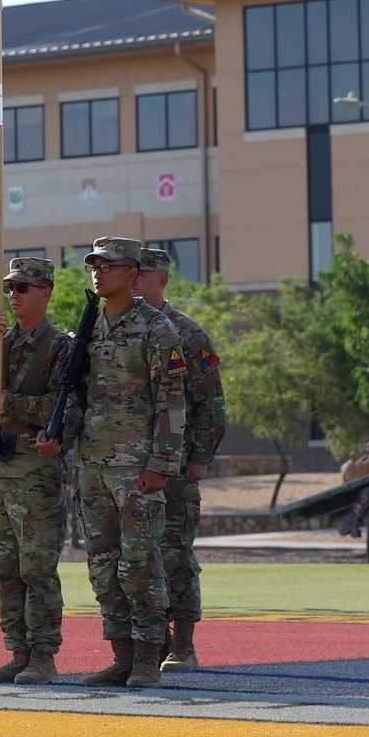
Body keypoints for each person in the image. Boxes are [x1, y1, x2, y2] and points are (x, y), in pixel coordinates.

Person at [67, 237, 188, 690]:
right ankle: (120, 654)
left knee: (139, 564)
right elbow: (82, 397)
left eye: (108, 266)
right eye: (94, 266)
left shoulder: (157, 329)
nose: (98, 273)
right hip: (94, 465)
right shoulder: (90, 327)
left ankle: (147, 657)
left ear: (132, 275)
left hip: (137, 468)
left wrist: (161, 463)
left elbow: (173, 403)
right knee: (102, 564)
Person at [0, 257, 77, 685]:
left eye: (23, 288)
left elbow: (66, 406)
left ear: (46, 292)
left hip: (34, 472)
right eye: (10, 287)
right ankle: (18, 651)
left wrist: (10, 403)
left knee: (36, 567)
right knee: (3, 567)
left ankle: (43, 656)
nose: (14, 295)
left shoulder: (60, 347)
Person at [134, 247, 226, 674]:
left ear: (162, 281)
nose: (134, 281)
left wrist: (200, 457)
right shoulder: (121, 330)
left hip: (178, 465)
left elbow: (212, 404)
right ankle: (153, 642)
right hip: (133, 462)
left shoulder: (189, 335)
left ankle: (183, 644)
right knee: (137, 556)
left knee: (174, 553)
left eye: (143, 274)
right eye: (130, 273)